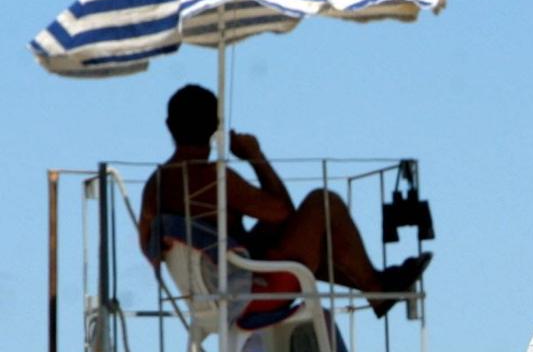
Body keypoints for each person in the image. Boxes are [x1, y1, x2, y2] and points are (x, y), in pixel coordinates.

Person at [138, 84, 429, 318]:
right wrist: (255, 157)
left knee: (296, 235)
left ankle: (374, 286)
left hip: (204, 296)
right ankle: (375, 287)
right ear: (215, 127)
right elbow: (283, 212)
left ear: (168, 125)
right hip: (250, 294)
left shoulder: (156, 184)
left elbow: (146, 245)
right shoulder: (213, 177)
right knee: (322, 203)